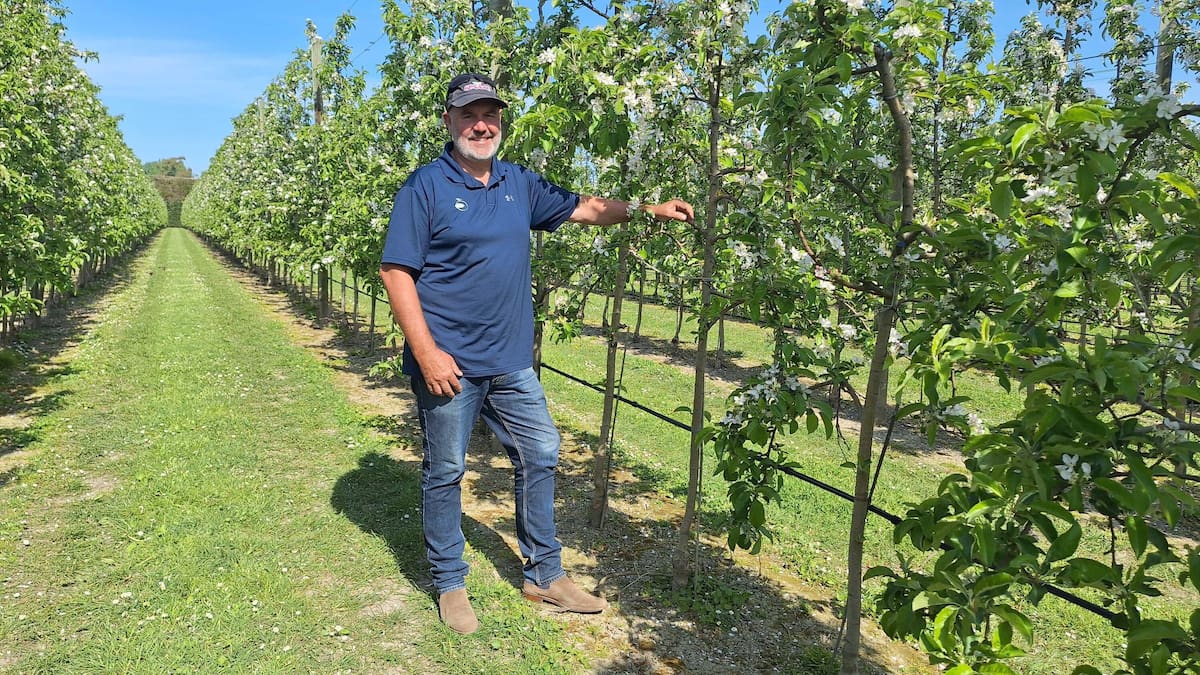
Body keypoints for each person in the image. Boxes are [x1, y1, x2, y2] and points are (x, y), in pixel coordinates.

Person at [379, 72, 694, 634]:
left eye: (491, 114)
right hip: (448, 363)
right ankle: (450, 582)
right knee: (446, 470)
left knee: (542, 450)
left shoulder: (518, 183)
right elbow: (396, 271)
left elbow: (586, 208)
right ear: (449, 121)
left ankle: (544, 575)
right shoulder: (423, 187)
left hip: (510, 361)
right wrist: (425, 352)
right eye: (470, 114)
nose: (482, 124)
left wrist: (648, 208)